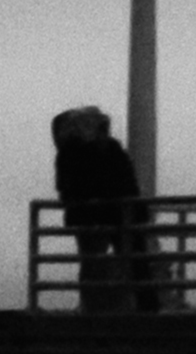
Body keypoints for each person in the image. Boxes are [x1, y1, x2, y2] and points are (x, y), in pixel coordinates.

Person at [50, 105, 155, 311]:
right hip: (118, 213)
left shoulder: (71, 152)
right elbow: (127, 182)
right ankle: (146, 306)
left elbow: (67, 187)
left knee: (93, 262)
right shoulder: (110, 149)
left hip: (93, 215)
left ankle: (94, 307)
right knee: (133, 260)